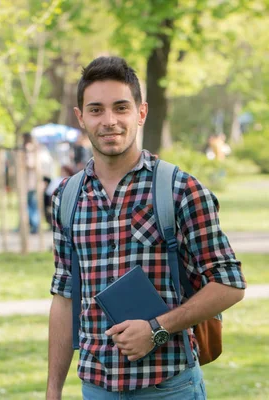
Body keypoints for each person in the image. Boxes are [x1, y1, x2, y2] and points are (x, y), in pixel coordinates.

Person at [46, 56, 246, 399]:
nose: (109, 121)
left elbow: (230, 284)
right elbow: (65, 298)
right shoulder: (67, 196)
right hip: (96, 388)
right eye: (96, 110)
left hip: (170, 388)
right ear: (80, 118)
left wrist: (157, 329)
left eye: (121, 107)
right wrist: (53, 392)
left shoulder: (180, 189)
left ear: (141, 112)